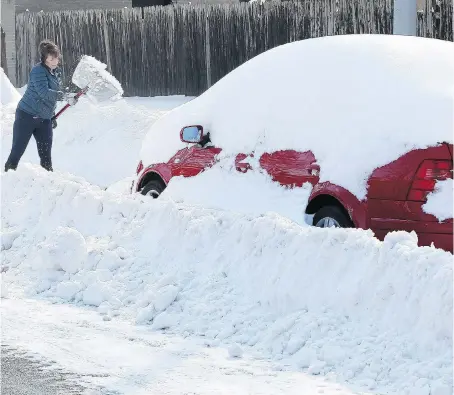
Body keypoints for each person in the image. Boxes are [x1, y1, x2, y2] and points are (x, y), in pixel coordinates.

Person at [4, 40, 78, 172]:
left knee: (46, 156)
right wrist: (65, 96)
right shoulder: (37, 71)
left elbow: (51, 97)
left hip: (44, 119)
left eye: (56, 58)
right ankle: (7, 179)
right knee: (17, 150)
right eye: (51, 59)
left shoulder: (56, 72)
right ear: (44, 59)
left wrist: (51, 115)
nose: (55, 61)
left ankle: (47, 186)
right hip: (27, 116)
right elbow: (44, 93)